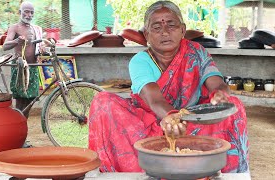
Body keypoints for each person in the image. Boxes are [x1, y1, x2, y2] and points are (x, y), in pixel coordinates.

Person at [88, 1, 249, 174]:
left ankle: (227, 174)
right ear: (146, 34)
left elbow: (216, 82)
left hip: (190, 125)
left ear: (183, 30)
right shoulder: (140, 61)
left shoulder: (196, 51)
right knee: (103, 101)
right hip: (149, 125)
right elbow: (154, 98)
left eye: (171, 25)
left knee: (234, 104)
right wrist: (172, 117)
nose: (165, 32)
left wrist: (220, 94)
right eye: (156, 27)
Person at [3, 1, 43, 118]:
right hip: (20, 68)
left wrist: (43, 49)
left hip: (33, 67)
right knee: (20, 99)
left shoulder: (36, 29)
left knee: (31, 99)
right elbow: (5, 46)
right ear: (19, 12)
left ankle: (22, 123)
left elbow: (39, 48)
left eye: (32, 12)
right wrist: (16, 41)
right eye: (26, 12)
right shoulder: (14, 28)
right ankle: (17, 125)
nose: (29, 15)